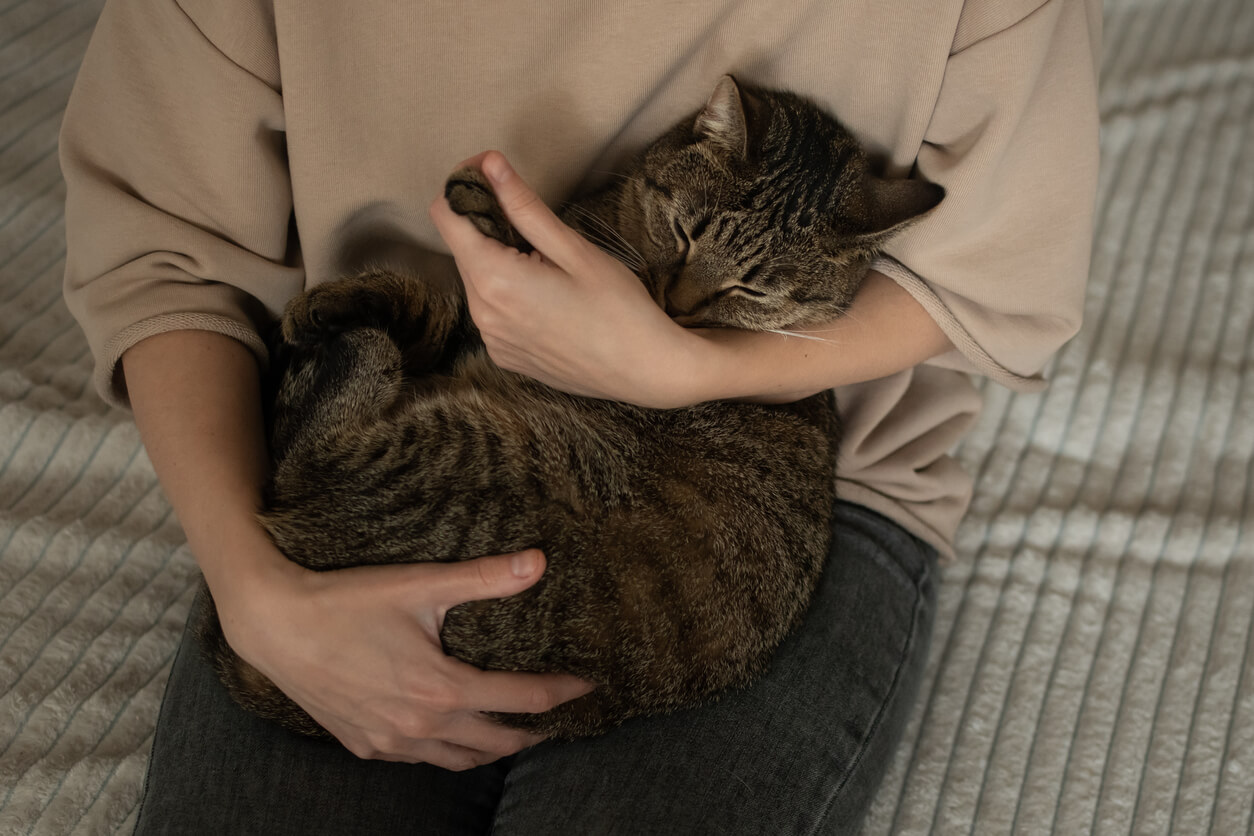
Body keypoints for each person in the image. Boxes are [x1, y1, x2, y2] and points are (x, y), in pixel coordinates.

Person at [60, 0, 1100, 832]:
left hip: (775, 492)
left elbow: (999, 276)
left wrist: (689, 367)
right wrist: (253, 585)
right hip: (423, 425)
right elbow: (163, 254)